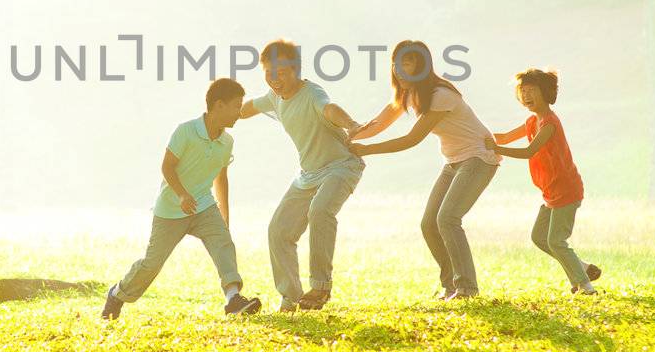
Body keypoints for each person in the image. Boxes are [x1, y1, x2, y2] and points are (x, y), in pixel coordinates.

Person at [349, 40, 498, 300]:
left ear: (421, 66)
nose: (400, 70)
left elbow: (411, 139)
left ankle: (467, 288)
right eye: (396, 65)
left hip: (478, 158)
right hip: (453, 162)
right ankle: (451, 285)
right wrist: (349, 136)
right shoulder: (407, 94)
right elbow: (377, 123)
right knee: (429, 224)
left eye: (407, 64)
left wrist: (367, 150)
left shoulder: (441, 94)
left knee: (448, 219)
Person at [102, 78, 262, 319]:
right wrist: (182, 195)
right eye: (236, 106)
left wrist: (224, 212)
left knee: (223, 245)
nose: (240, 113)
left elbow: (221, 176)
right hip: (171, 210)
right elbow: (167, 167)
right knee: (151, 265)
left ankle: (233, 299)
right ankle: (117, 294)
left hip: (204, 206)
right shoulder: (185, 131)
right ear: (219, 105)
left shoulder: (227, 141)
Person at [239, 39, 365, 312]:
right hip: (308, 174)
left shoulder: (312, 93)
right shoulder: (274, 97)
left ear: (295, 70)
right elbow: (248, 107)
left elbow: (329, 109)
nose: (275, 79)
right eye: (269, 73)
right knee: (278, 231)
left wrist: (352, 124)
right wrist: (224, 113)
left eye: (281, 72)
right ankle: (291, 297)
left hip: (341, 166)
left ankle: (320, 287)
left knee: (320, 211)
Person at [494, 68, 603, 295]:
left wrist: (495, 149)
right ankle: (582, 268)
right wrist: (474, 135)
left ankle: (585, 286)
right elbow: (503, 136)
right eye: (522, 91)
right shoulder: (532, 121)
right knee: (539, 237)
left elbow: (529, 151)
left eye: (531, 90)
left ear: (545, 92)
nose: (526, 96)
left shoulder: (549, 123)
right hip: (550, 191)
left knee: (556, 241)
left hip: (566, 190)